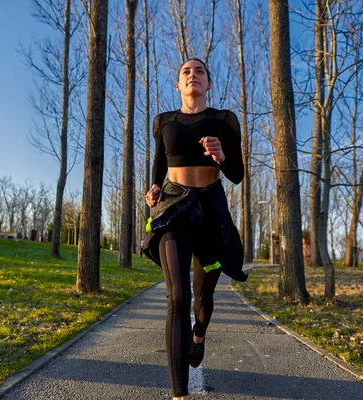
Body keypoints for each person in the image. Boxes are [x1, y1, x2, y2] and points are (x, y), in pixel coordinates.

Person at [143, 58, 247, 400]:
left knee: (203, 296)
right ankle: (179, 394)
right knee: (177, 297)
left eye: (200, 71)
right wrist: (153, 188)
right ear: (178, 85)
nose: (193, 75)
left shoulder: (224, 120)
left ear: (208, 83)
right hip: (173, 208)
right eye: (186, 72)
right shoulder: (164, 121)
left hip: (211, 212)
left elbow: (237, 174)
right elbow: (159, 163)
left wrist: (220, 157)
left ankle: (199, 335)